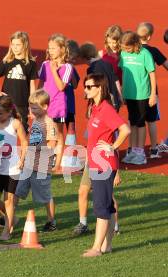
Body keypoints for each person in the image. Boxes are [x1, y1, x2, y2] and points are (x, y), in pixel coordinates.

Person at [82, 73, 130, 257]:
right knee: (108, 206)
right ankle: (107, 246)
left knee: (101, 207)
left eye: (89, 87)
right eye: (85, 86)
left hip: (103, 165)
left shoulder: (106, 109)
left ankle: (96, 248)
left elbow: (125, 130)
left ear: (99, 88)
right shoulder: (95, 107)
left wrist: (113, 147)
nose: (86, 90)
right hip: (96, 162)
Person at [15, 89, 58, 232]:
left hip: (41, 166)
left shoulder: (49, 123)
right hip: (29, 164)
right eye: (30, 106)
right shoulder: (35, 121)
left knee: (45, 196)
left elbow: (52, 144)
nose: (31, 109)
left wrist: (38, 150)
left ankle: (51, 220)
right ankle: (9, 217)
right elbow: (30, 141)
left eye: (34, 107)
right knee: (17, 191)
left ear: (45, 107)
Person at [0, 95, 27, 240]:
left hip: (12, 167)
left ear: (9, 112)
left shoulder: (15, 123)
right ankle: (12, 219)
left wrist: (22, 159)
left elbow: (24, 142)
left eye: (0, 113)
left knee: (8, 200)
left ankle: (7, 230)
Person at [0, 31, 37, 133]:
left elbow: (32, 85)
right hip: (5, 104)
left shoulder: (31, 63)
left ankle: (22, 148)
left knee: (22, 131)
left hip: (22, 104)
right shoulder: (7, 61)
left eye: (18, 45)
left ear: (25, 45)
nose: (15, 47)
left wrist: (32, 104)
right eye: (13, 44)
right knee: (4, 131)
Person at [119, 31, 156, 165]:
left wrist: (152, 94)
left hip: (142, 94)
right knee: (132, 122)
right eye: (124, 48)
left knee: (140, 123)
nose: (125, 50)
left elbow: (152, 74)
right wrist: (122, 92)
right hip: (129, 94)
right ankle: (133, 151)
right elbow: (123, 73)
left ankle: (140, 153)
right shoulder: (123, 54)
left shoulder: (145, 54)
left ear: (135, 44)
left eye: (128, 48)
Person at [38, 33, 74, 173]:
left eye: (53, 48)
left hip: (58, 107)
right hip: (44, 106)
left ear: (62, 49)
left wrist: (54, 70)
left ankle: (55, 164)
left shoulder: (67, 67)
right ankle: (50, 162)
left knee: (56, 135)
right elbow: (41, 83)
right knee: (46, 134)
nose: (50, 51)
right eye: (49, 48)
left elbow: (61, 87)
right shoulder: (45, 64)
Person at [137, 22, 168, 159]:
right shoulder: (153, 51)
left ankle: (136, 150)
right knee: (151, 121)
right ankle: (154, 149)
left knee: (136, 122)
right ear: (149, 37)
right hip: (150, 93)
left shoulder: (130, 51)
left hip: (135, 93)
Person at [79, 42, 122, 110]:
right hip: (114, 101)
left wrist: (91, 103)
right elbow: (116, 81)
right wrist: (120, 97)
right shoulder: (107, 64)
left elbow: (94, 89)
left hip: (103, 104)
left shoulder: (91, 69)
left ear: (85, 58)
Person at [64, 39, 80, 147]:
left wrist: (71, 69)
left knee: (71, 127)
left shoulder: (72, 68)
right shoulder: (57, 67)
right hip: (58, 104)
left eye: (74, 59)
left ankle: (71, 151)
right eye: (71, 58)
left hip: (69, 105)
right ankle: (56, 152)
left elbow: (74, 85)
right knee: (55, 128)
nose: (73, 61)